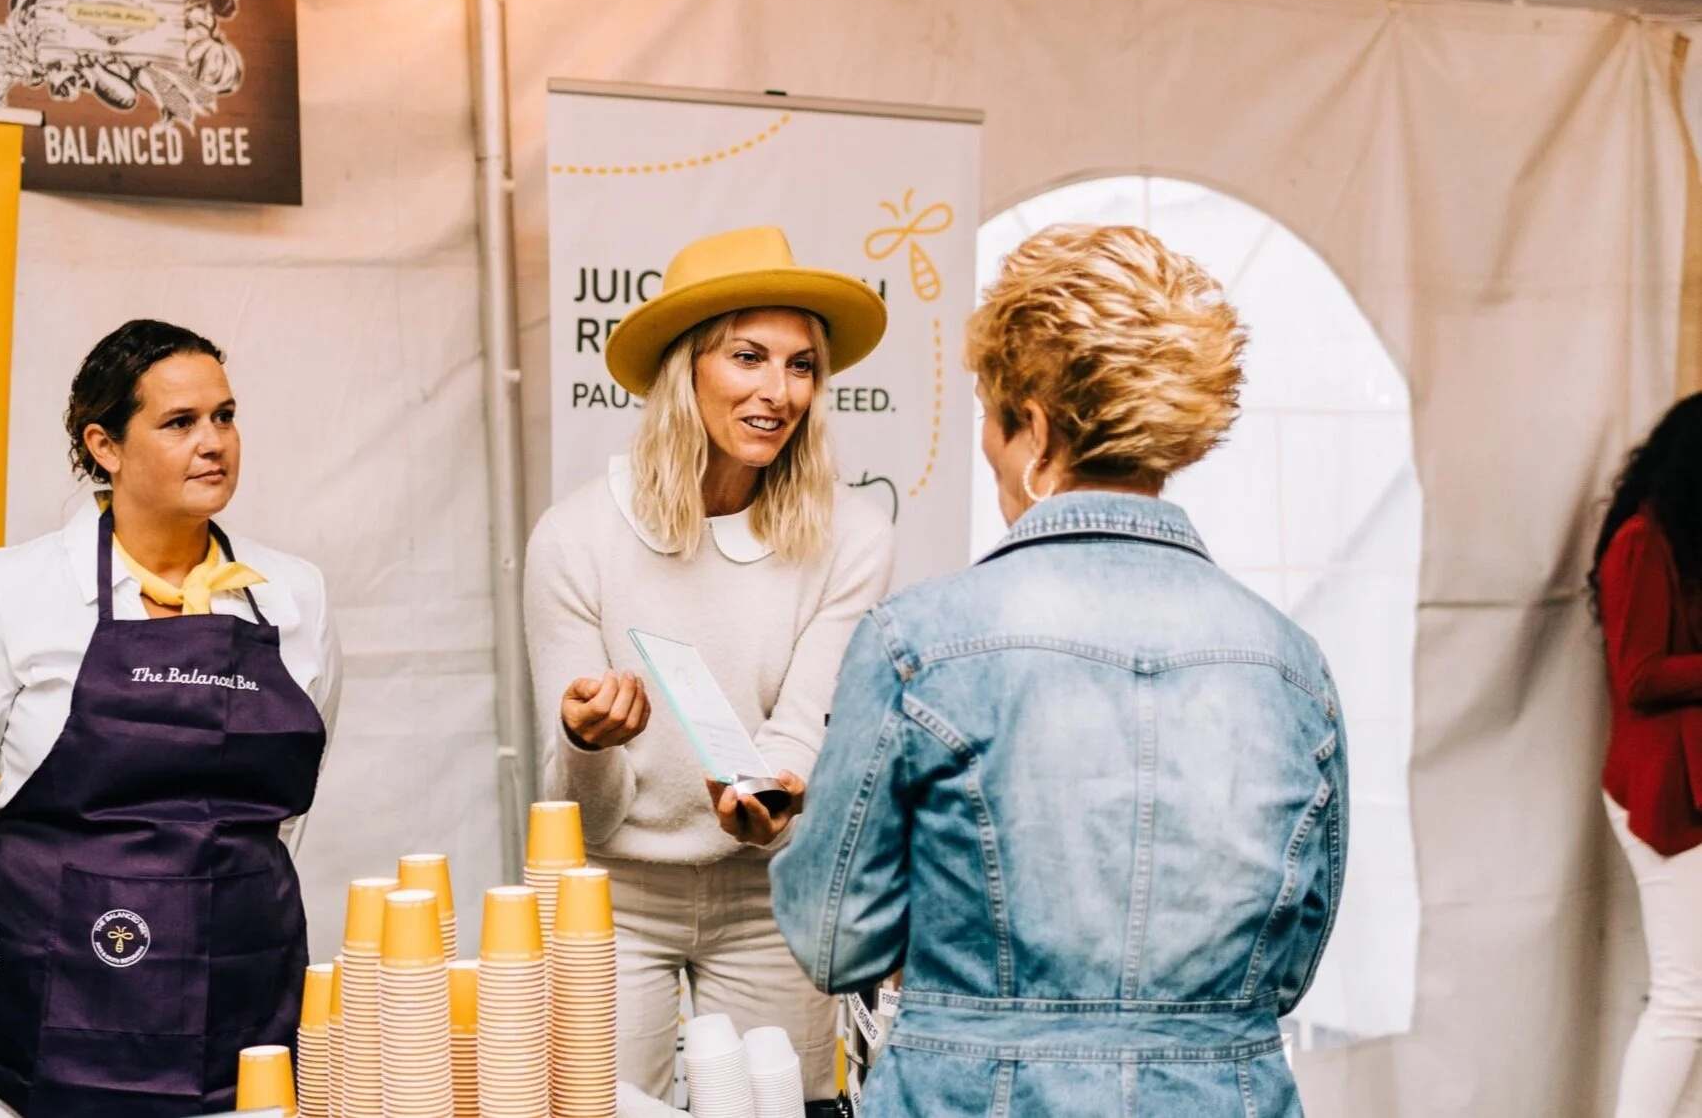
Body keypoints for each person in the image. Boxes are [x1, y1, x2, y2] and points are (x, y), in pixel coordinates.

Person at [772, 224, 1350, 1116]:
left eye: (988, 416)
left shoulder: (918, 643)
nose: (986, 444)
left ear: (1033, 429)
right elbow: (1291, 965)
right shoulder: (1292, 666)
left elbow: (834, 937)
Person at [525, 225, 895, 1102]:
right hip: (608, 892)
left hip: (769, 890)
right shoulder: (576, 537)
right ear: (684, 368)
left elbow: (802, 725)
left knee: (783, 1104)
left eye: (801, 365)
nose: (779, 390)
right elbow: (581, 813)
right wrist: (586, 741)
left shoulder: (854, 534)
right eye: (747, 356)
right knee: (608, 1108)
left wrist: (773, 801)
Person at [0, 320, 342, 1117]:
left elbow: (288, 813)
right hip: (62, 1003)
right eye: (180, 422)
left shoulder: (294, 594)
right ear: (104, 445)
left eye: (225, 415)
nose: (214, 442)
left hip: (248, 1001)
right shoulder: (9, 592)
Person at [1590, 393, 1702, 1118]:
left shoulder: (1680, 544)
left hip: (1683, 786)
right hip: (1661, 791)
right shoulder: (1639, 541)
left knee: (1695, 1002)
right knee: (1684, 1000)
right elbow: (1639, 675)